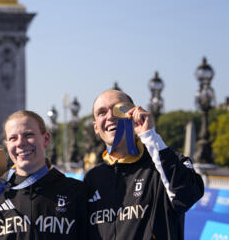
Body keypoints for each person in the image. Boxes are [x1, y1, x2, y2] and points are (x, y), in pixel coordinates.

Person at [84, 89, 204, 239]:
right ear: (96, 127)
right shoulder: (92, 178)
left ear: (133, 113)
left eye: (119, 109)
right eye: (102, 112)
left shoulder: (165, 163)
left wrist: (149, 135)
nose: (110, 116)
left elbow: (187, 196)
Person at [0, 110, 87, 239]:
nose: (21, 143)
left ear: (46, 139)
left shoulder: (75, 191)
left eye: (29, 135)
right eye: (13, 138)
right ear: (7, 145)